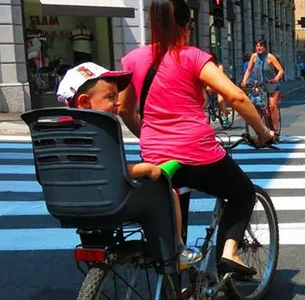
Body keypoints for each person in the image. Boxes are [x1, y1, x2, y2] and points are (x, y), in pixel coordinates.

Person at [117, 0, 275, 278]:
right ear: (185, 28)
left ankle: (176, 292)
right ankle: (230, 253)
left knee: (175, 209)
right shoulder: (191, 56)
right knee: (242, 192)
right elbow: (236, 96)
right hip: (197, 153)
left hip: (155, 157)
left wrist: (152, 136)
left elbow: (124, 109)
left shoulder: (133, 60)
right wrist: (263, 132)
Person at [56, 61, 202, 269]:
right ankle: (176, 250)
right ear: (85, 102)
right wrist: (147, 168)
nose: (117, 103)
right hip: (110, 200)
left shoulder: (59, 129)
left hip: (71, 202)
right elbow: (112, 168)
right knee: (167, 193)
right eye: (110, 97)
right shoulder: (99, 129)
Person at [240, 39, 285, 138]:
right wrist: (244, 81)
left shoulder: (270, 57)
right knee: (258, 107)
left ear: (265, 47)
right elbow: (249, 70)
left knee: (272, 107)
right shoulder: (254, 57)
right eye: (257, 46)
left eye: (261, 46)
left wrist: (275, 79)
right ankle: (261, 128)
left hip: (272, 85)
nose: (259, 48)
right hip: (259, 86)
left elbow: (281, 71)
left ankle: (275, 129)